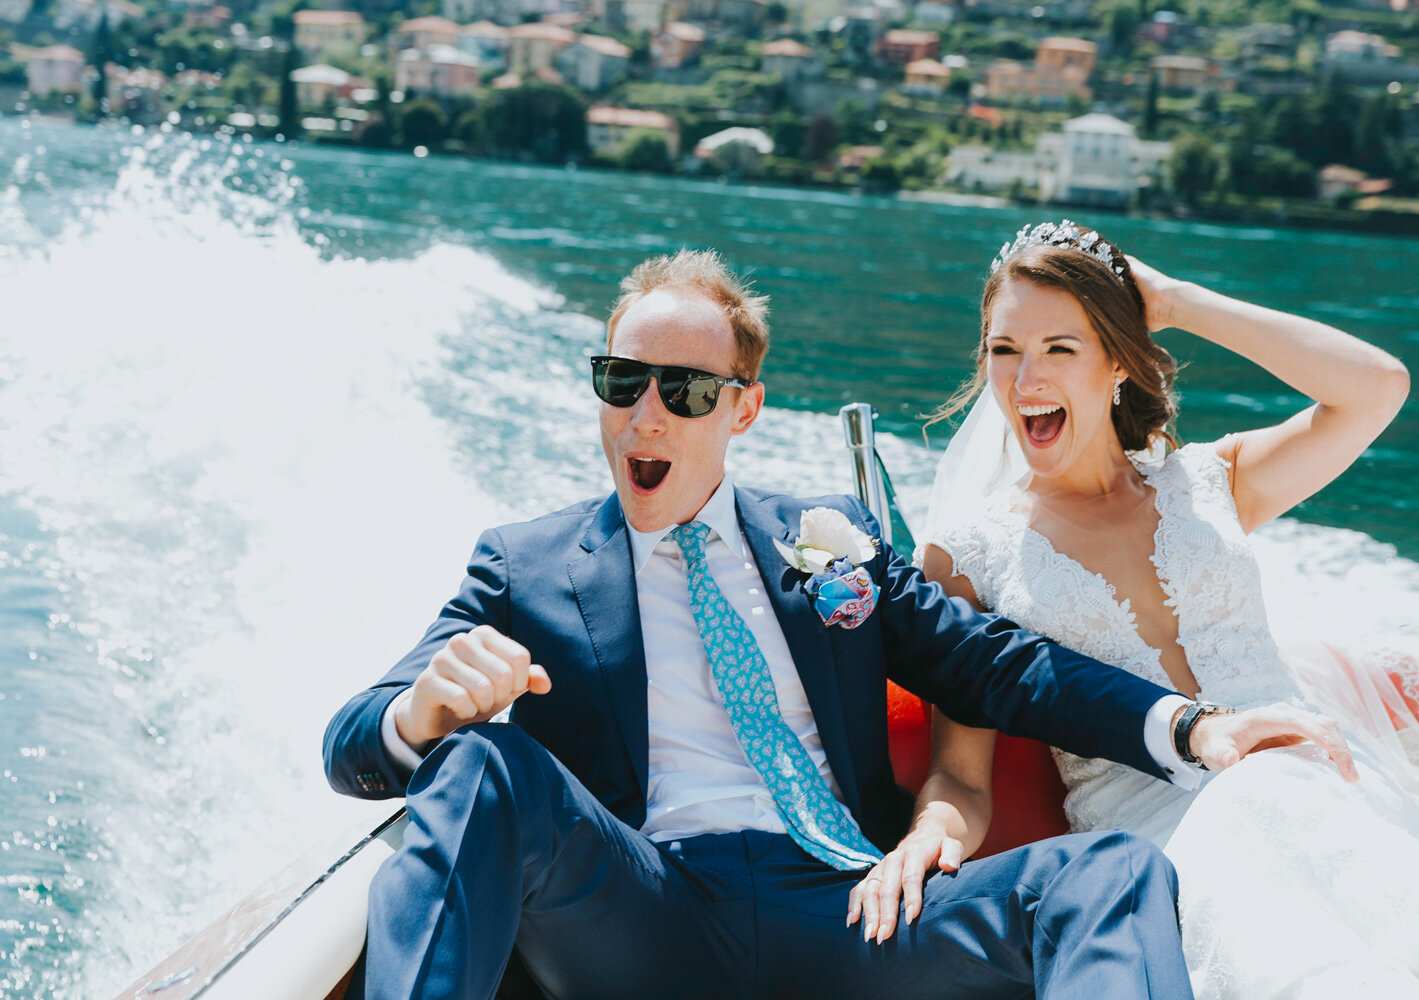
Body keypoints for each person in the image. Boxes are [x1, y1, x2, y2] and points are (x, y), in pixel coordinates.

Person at [324, 248, 1356, 1000]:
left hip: (856, 910)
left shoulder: (832, 541)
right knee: (476, 763)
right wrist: (418, 713)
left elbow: (996, 665)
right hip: (649, 907)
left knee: (1116, 875)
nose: (646, 414)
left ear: (744, 409)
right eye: (621, 381)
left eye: (682, 390)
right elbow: (352, 741)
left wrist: (1191, 728)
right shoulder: (527, 563)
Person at [850, 221, 1419, 999]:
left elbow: (1377, 387)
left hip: (1327, 794)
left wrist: (1179, 302)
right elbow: (963, 778)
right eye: (1004, 349)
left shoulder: (1213, 483)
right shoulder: (968, 554)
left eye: (1061, 348)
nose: (1025, 379)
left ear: (1120, 361)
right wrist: (924, 842)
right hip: (1166, 844)